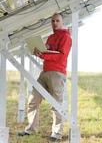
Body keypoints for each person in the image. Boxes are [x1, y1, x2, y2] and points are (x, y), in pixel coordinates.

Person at [18, 13, 72, 141]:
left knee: (56, 104)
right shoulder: (50, 37)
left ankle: (56, 134)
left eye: (57, 21)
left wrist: (43, 55)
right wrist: (39, 51)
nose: (54, 23)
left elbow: (61, 56)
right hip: (45, 72)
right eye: (53, 21)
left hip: (57, 73)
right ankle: (31, 130)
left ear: (62, 22)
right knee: (33, 100)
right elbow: (48, 51)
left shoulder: (66, 37)